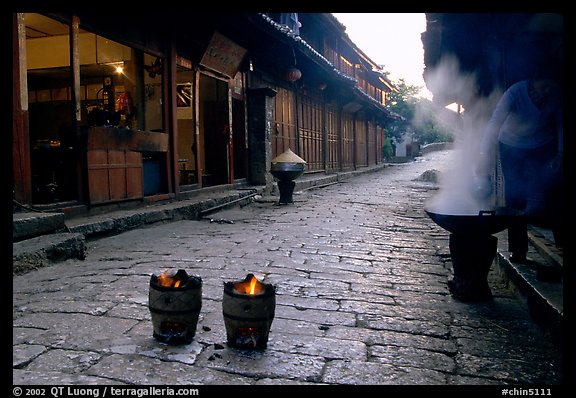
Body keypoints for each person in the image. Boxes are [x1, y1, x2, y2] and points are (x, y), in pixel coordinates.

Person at [476, 71, 563, 263]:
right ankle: (518, 250)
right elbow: (494, 124)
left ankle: (560, 242)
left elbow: (560, 125)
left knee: (551, 189)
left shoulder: (555, 96)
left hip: (542, 145)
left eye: (551, 87)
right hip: (511, 145)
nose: (547, 91)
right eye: (544, 86)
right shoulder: (515, 93)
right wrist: (484, 154)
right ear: (533, 81)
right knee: (516, 197)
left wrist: (560, 153)